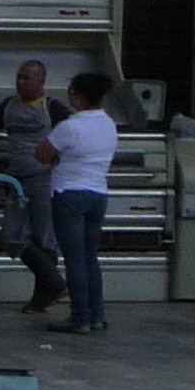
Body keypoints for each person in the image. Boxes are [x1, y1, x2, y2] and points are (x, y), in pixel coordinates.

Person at [0, 59, 71, 313]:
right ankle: (56, 283)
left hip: (44, 178)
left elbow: (73, 135)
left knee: (45, 238)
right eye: (19, 77)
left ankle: (42, 297)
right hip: (15, 180)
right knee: (10, 236)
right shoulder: (9, 106)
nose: (21, 82)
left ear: (42, 81)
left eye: (28, 78)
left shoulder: (52, 108)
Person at [41, 70, 120, 334]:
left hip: (70, 193)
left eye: (72, 92)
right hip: (98, 193)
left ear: (80, 97)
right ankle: (97, 315)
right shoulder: (108, 124)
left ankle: (79, 317)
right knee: (90, 258)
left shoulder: (70, 126)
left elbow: (42, 153)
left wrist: (55, 157)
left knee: (74, 259)